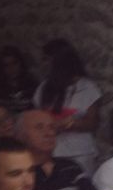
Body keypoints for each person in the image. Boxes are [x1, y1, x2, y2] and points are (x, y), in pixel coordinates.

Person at [33, 40, 102, 175]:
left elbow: (93, 123)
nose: (44, 64)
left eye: (47, 59)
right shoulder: (44, 88)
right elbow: (36, 118)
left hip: (80, 152)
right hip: (52, 151)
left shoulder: (87, 88)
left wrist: (72, 123)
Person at [0, 46, 38, 114]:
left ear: (21, 63)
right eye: (6, 65)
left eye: (14, 63)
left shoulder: (32, 84)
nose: (11, 68)